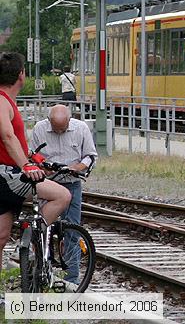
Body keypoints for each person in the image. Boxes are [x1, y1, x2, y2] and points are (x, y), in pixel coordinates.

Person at [0, 53, 71, 272]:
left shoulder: (6, 100)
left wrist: (30, 156)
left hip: (7, 173)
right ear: (21, 74)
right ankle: (29, 245)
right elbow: (7, 136)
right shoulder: (2, 100)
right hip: (9, 175)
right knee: (62, 195)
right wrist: (26, 166)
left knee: (1, 236)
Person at [31, 104, 97, 283]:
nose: (59, 132)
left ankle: (72, 280)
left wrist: (77, 167)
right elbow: (32, 156)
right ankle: (39, 270)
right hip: (49, 185)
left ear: (69, 120)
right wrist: (43, 167)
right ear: (49, 121)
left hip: (72, 184)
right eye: (55, 129)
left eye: (63, 129)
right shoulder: (39, 129)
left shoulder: (81, 128)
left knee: (72, 232)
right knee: (41, 229)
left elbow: (90, 156)